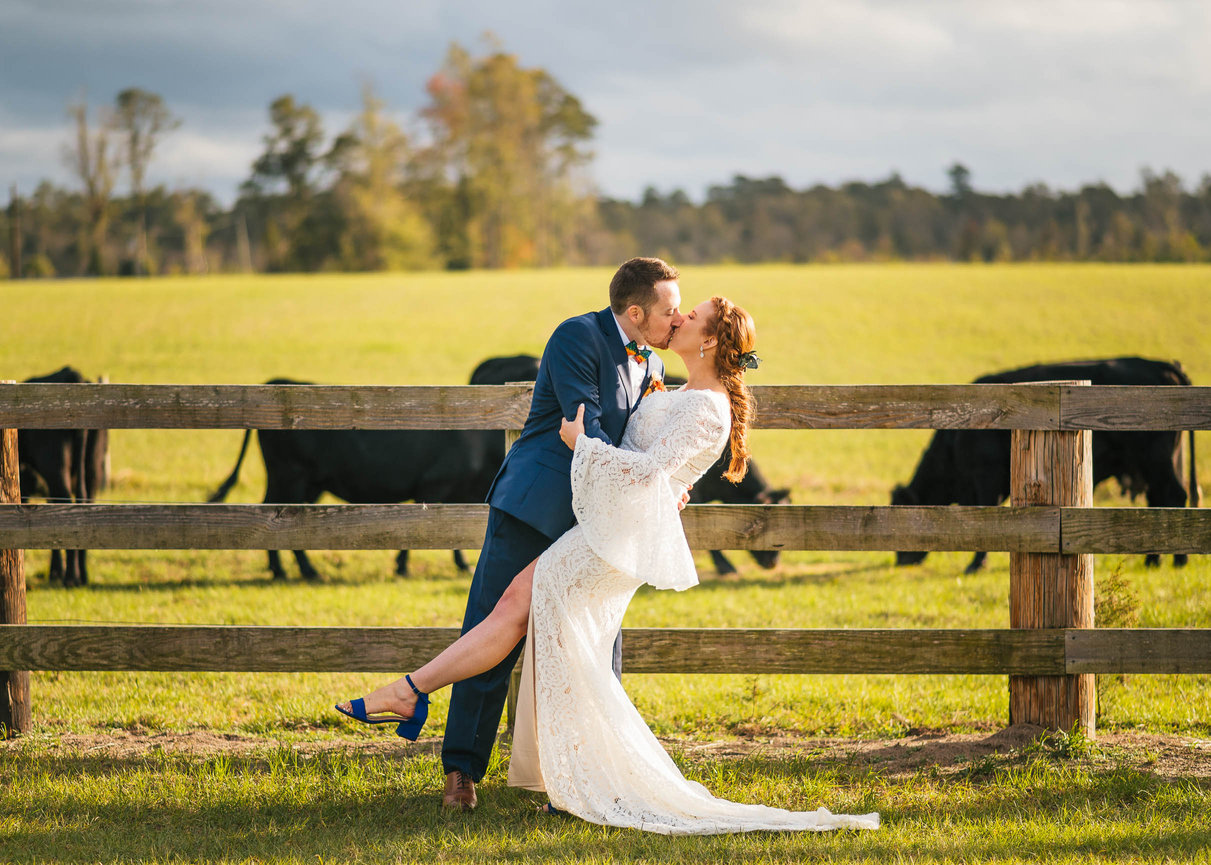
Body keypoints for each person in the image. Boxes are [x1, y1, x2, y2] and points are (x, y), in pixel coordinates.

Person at [338, 296, 880, 834]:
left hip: (612, 541)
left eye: (693, 316)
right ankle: (552, 773)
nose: (682, 317)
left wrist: (584, 446)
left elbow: (647, 472)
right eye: (677, 308)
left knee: (527, 622)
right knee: (543, 634)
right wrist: (669, 483)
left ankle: (413, 694)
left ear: (711, 340)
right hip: (600, 529)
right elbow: (657, 463)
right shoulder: (669, 381)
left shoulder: (709, 407)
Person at [410, 258, 684, 810]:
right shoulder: (575, 336)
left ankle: (586, 771)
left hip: (598, 522)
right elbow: (588, 430)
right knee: (492, 632)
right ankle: (461, 770)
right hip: (536, 508)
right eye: (669, 310)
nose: (676, 320)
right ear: (636, 312)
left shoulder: (650, 359)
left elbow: (642, 440)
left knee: (595, 643)